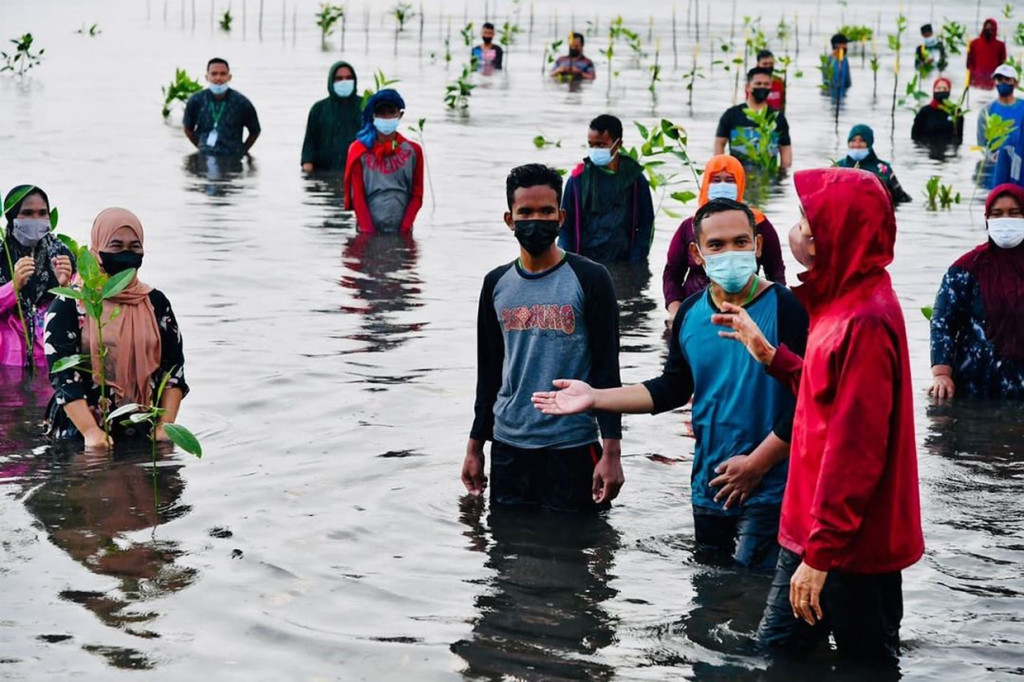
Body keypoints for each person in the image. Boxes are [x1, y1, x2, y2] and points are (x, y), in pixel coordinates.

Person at [713, 168, 923, 665]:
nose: (799, 230)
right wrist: (773, 358)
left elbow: (856, 448)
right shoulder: (845, 300)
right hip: (815, 528)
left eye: (808, 220)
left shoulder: (866, 319)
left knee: (853, 663)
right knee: (788, 657)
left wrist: (821, 555)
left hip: (845, 544)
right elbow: (831, 396)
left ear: (835, 233)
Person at [533, 198, 808, 570]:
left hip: (772, 487)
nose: (731, 252)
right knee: (709, 597)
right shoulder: (691, 313)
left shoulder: (787, 308)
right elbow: (672, 388)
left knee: (751, 593)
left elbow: (806, 399)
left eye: (741, 242)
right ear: (696, 253)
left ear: (758, 246)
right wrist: (595, 397)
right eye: (717, 244)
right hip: (710, 484)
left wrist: (757, 465)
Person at [461, 163, 623, 513]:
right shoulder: (496, 284)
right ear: (510, 219)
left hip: (572, 446)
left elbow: (608, 371)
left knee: (575, 550)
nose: (537, 220)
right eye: (526, 212)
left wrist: (611, 452)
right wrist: (475, 448)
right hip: (508, 446)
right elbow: (488, 373)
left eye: (547, 211)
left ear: (561, 217)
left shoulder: (591, 279)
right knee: (506, 552)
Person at [45, 208, 188, 448]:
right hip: (80, 431)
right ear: (97, 249)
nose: (126, 254)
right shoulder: (70, 304)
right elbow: (64, 377)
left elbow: (174, 370)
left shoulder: (155, 302)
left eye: (134, 247)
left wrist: (165, 424)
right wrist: (91, 431)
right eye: (116, 246)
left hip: (144, 425)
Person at [663, 155, 786, 323]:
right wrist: (676, 312)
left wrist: (776, 309)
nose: (722, 186)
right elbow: (672, 273)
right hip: (693, 310)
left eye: (729, 180)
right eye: (716, 180)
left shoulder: (759, 224)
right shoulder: (690, 226)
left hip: (747, 311)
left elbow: (775, 271)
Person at [929, 184, 1024, 400]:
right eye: (997, 214)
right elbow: (942, 322)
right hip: (975, 387)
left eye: (1015, 213)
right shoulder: (965, 269)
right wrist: (942, 374)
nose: (1005, 220)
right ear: (987, 219)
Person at [559, 114, 654, 264]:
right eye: (591, 145)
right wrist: (567, 261)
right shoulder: (578, 179)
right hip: (584, 260)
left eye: (601, 145)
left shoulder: (634, 179)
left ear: (618, 144)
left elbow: (646, 224)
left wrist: (636, 261)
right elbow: (564, 226)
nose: (595, 150)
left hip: (623, 261)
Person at [1, 186, 74, 368]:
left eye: (42, 213)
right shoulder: (3, 255)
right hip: (7, 361)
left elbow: (79, 314)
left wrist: (64, 288)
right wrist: (13, 286)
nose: (36, 220)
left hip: (48, 360)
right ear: (12, 217)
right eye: (27, 213)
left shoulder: (61, 253)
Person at [343, 89, 424, 234]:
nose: (386, 117)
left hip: (402, 230)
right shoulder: (359, 151)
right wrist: (369, 234)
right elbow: (358, 197)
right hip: (368, 229)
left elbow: (417, 195)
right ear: (373, 116)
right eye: (381, 113)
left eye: (391, 112)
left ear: (400, 115)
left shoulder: (413, 151)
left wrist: (404, 229)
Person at [714, 67, 793, 169]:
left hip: (770, 179)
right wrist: (721, 168)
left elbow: (785, 148)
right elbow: (720, 143)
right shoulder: (731, 115)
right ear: (748, 87)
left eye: (766, 84)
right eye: (758, 84)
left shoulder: (777, 117)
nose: (762, 87)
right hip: (739, 176)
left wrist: (783, 175)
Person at [183, 58, 261, 157]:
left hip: (232, 157)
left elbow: (255, 131)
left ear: (229, 77)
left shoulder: (241, 102)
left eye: (223, 74)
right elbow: (188, 129)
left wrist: (242, 151)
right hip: (204, 157)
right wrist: (202, 146)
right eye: (214, 74)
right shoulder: (196, 100)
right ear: (207, 77)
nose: (218, 78)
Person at [301, 61, 362, 174]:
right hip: (324, 172)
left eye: (349, 78)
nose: (344, 82)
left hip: (359, 173)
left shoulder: (365, 106)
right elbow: (309, 147)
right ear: (331, 81)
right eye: (339, 78)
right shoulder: (318, 109)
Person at [836, 124, 912, 204]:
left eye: (862, 141)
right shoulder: (837, 167)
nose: (856, 145)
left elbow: (900, 197)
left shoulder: (883, 169)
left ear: (869, 143)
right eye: (853, 141)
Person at [977, 65, 1024, 162]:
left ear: (1015, 83)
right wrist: (991, 157)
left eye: (1007, 79)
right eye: (999, 79)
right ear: (995, 82)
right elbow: (982, 144)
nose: (1003, 82)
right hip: (995, 164)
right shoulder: (986, 111)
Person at [912, 77, 964, 145]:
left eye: (945, 89)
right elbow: (915, 136)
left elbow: (959, 136)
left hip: (948, 150)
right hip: (928, 148)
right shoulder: (925, 111)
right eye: (938, 88)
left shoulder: (955, 111)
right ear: (934, 90)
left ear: (949, 91)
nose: (941, 91)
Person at [967, 18, 1007, 90]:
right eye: (987, 27)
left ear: (994, 29)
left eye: (991, 28)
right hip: (976, 79)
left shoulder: (1000, 45)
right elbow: (969, 63)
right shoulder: (974, 43)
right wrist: (971, 77)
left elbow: (1002, 64)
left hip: (992, 80)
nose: (988, 29)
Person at [823, 34, 852, 100]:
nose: (846, 47)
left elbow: (848, 82)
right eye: (844, 44)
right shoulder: (828, 61)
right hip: (830, 96)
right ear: (837, 45)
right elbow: (826, 81)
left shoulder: (845, 60)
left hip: (843, 95)